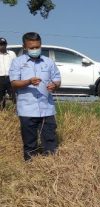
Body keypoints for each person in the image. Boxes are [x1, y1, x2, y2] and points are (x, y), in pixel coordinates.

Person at [9, 32, 61, 161]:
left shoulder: (48, 62)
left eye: (37, 47)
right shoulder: (17, 62)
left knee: (50, 140)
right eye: (31, 48)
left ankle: (51, 164)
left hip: (47, 108)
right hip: (27, 109)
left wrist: (54, 85)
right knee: (29, 142)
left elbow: (57, 79)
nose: (35, 50)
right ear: (25, 47)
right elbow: (14, 83)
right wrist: (28, 81)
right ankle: (30, 166)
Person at [0, 37, 16, 109]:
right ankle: (2, 113)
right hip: (0, 78)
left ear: (6, 45)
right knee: (0, 97)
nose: (2, 46)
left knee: (14, 96)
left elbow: (16, 65)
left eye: (3, 44)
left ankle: (15, 112)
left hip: (10, 78)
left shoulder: (12, 53)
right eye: (0, 44)